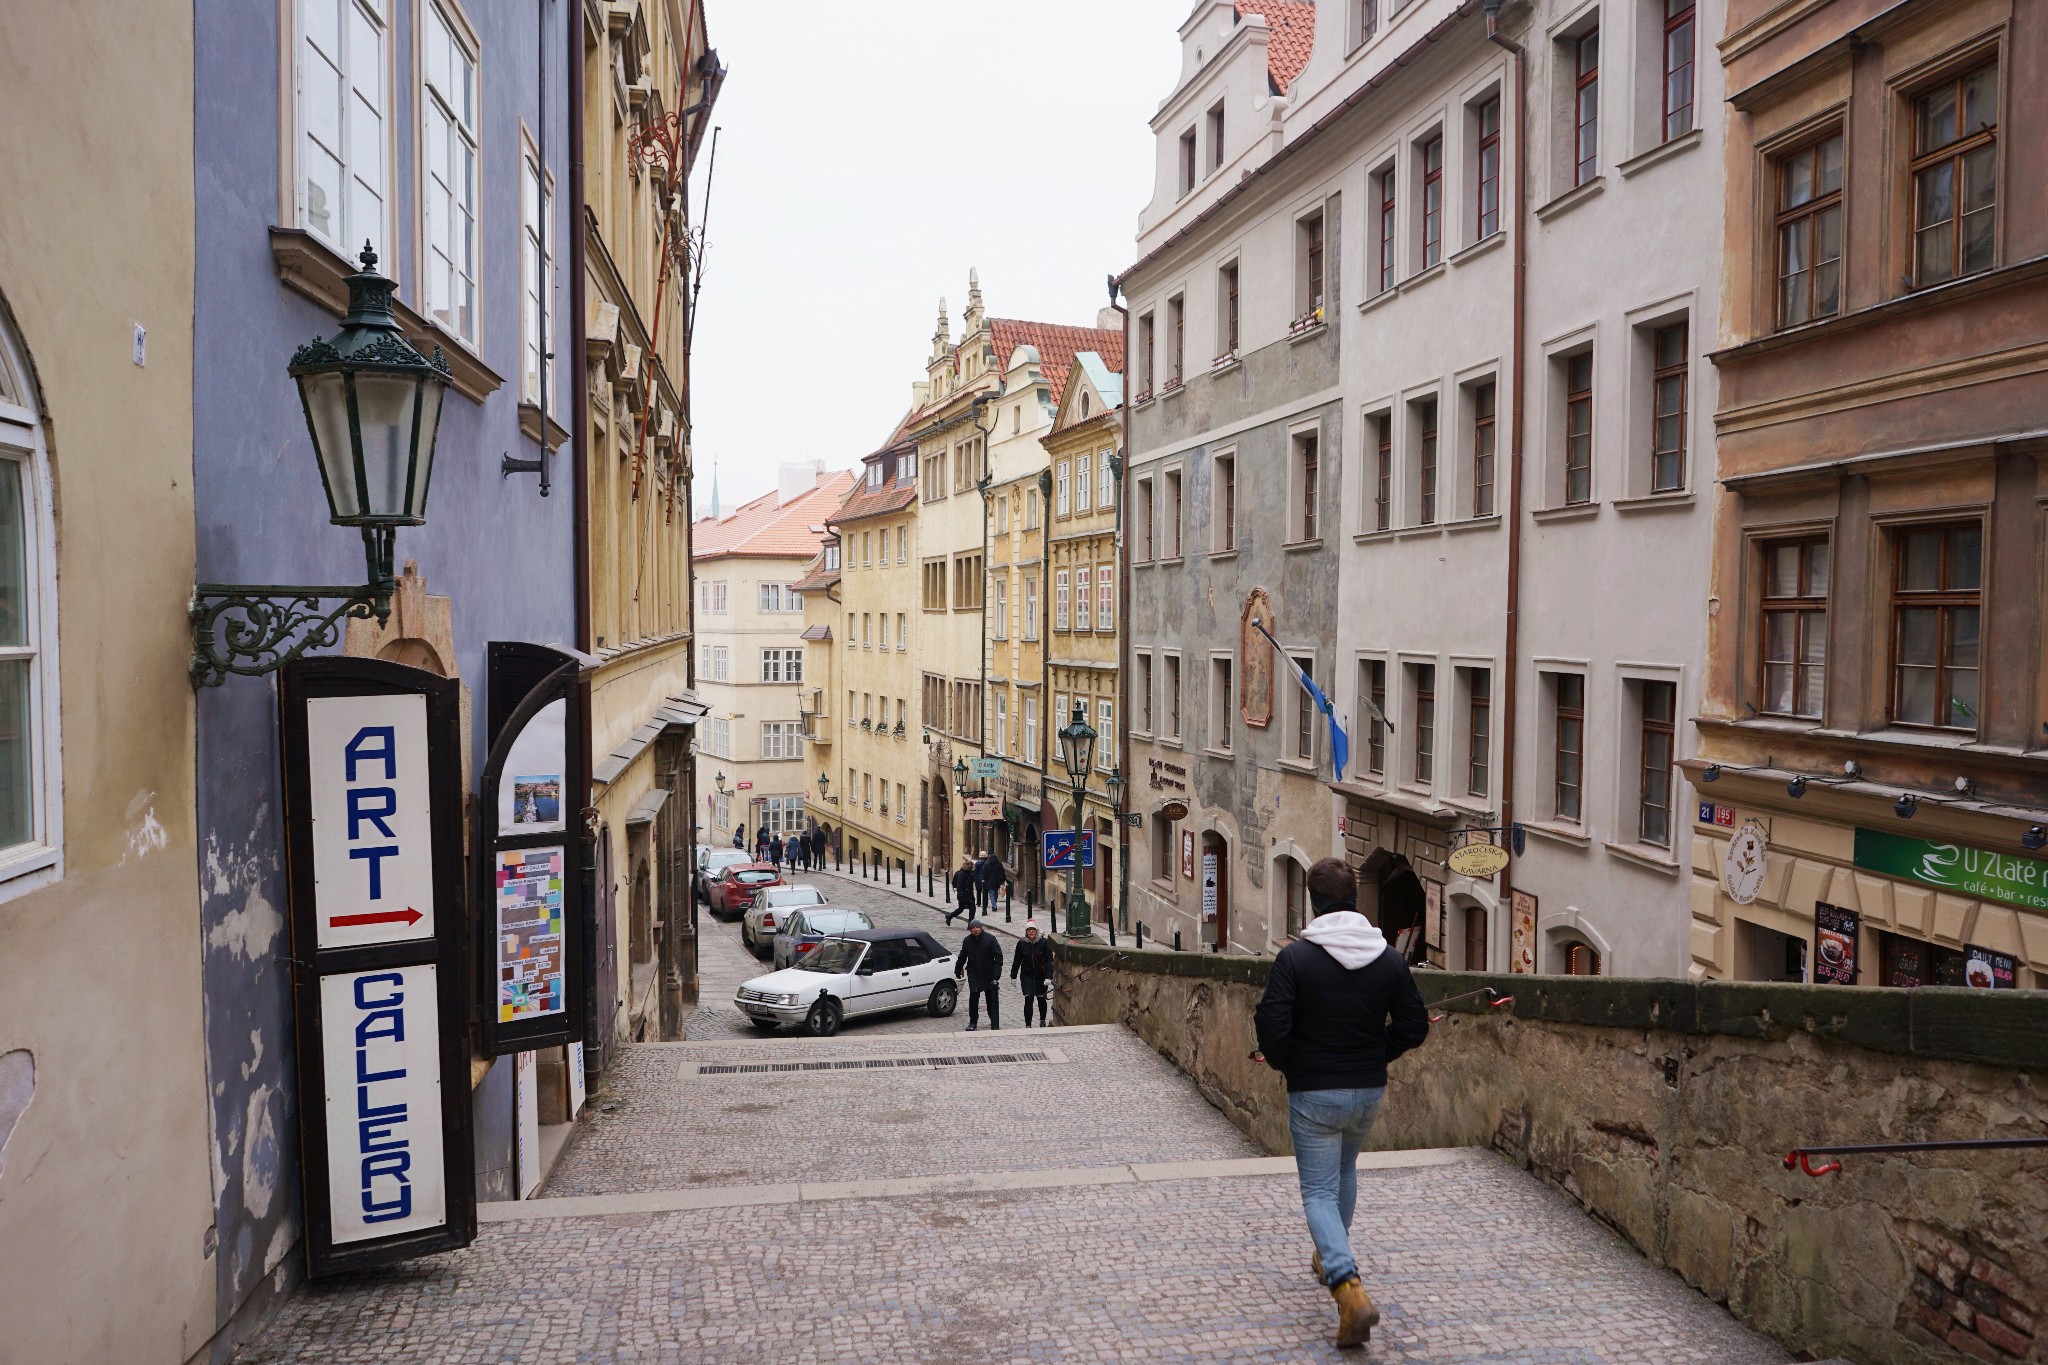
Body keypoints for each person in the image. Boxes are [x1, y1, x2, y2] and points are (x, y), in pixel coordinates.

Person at [1253, 857, 1429, 1350]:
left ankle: (1347, 1286)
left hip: (1314, 1091)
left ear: (1314, 901)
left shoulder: (1296, 959)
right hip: (1367, 1089)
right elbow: (1414, 1028)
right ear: (1354, 899)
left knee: (1317, 1192)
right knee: (1345, 1172)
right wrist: (1378, 1052)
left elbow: (1272, 1026)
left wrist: (1292, 1064)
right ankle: (1330, 1253)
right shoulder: (1389, 958)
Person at [953, 919, 1004, 1030]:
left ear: (980, 928)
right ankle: (973, 1021)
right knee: (974, 996)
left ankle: (993, 1018)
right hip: (973, 972)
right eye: (973, 928)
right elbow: (962, 956)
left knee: (990, 997)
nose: (975, 930)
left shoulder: (990, 939)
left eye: (977, 927)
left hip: (988, 973)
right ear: (970, 930)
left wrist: (996, 974)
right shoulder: (967, 941)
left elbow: (998, 956)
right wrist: (958, 969)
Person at [1010, 920, 1053, 1027]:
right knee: (1028, 998)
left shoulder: (1044, 943)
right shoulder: (1021, 943)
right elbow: (1017, 960)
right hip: (1027, 975)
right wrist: (1013, 976)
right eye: (1029, 930)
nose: (1031, 932)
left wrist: (1048, 977)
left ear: (1037, 931)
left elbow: (1049, 960)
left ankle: (1042, 1019)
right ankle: (1028, 1024)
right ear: (1026, 932)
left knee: (1041, 999)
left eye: (1033, 929)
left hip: (1040, 976)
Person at [947, 858, 978, 926]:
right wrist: (961, 895)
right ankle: (950, 916)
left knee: (972, 909)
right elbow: (958, 885)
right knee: (961, 909)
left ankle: (970, 924)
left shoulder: (970, 873)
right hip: (963, 895)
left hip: (969, 894)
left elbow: (974, 877)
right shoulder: (961, 874)